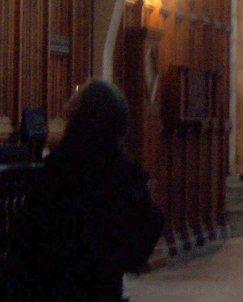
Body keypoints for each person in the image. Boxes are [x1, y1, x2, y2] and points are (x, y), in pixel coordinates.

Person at [4, 80, 165, 302]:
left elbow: (25, 241)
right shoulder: (124, 173)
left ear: (77, 120)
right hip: (103, 289)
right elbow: (144, 236)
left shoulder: (58, 170)